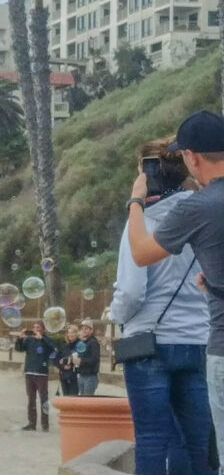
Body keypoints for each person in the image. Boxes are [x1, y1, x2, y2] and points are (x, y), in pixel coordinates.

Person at [111, 137, 214, 475]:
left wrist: (117, 317)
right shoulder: (205, 215)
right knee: (194, 441)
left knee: (153, 439)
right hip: (198, 340)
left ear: (146, 174)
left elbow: (131, 291)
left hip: (149, 347)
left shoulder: (142, 223)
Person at [15, 321, 57, 431]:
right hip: (29, 372)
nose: (36, 329)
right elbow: (19, 349)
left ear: (43, 329)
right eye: (34, 327)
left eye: (38, 327)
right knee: (31, 399)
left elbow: (53, 348)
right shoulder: (29, 340)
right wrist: (20, 339)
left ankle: (45, 424)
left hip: (41, 373)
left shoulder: (46, 340)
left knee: (44, 399)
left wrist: (41, 338)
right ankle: (31, 423)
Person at [76, 320, 102, 395]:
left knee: (87, 401)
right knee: (82, 402)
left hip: (90, 376)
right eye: (83, 328)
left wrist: (81, 361)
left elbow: (94, 360)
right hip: (81, 375)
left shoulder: (94, 342)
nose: (84, 330)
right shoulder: (82, 342)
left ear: (91, 330)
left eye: (87, 329)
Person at [56, 325, 81, 396]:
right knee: (66, 398)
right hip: (64, 376)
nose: (70, 334)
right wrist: (62, 366)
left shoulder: (80, 344)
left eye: (72, 332)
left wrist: (68, 360)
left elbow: (81, 358)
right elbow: (56, 359)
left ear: (76, 333)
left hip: (75, 377)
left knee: (73, 399)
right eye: (69, 333)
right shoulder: (64, 345)